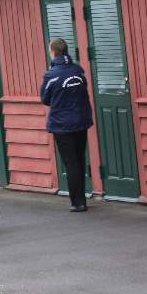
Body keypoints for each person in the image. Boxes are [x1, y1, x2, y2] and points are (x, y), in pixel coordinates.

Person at [41, 38, 93, 212]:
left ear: (53, 51)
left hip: (62, 124)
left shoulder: (51, 75)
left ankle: (77, 202)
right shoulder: (78, 71)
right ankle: (82, 200)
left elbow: (45, 99)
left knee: (70, 162)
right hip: (81, 121)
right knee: (79, 159)